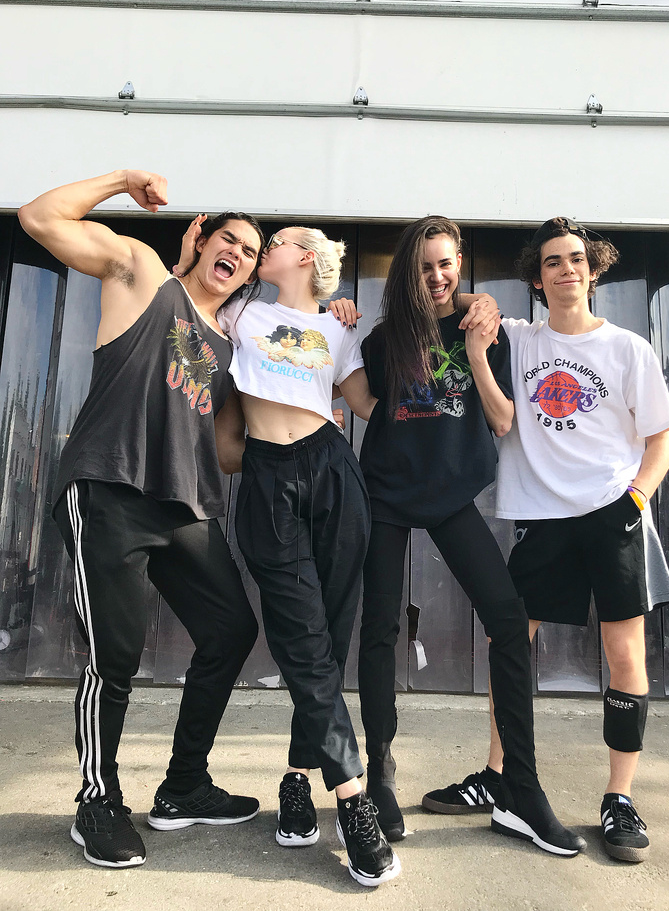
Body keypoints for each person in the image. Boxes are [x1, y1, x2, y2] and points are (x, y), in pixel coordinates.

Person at [18, 172, 263, 869]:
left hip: (184, 506)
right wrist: (124, 180)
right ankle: (97, 800)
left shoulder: (226, 348)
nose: (237, 254)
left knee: (232, 630)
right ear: (201, 238)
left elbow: (226, 452)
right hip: (110, 489)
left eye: (249, 252)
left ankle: (183, 787)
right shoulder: (144, 273)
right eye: (228, 240)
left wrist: (300, 432)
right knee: (115, 657)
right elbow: (38, 217)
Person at [423, 217, 669, 863]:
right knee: (509, 642)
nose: (567, 269)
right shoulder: (516, 338)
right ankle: (499, 775)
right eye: (553, 262)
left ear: (594, 270)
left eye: (577, 259)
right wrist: (480, 300)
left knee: (624, 654)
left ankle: (619, 797)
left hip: (613, 513)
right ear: (537, 279)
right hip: (541, 518)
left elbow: (661, 441)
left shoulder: (628, 349)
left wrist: (636, 500)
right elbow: (445, 298)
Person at [335, 216, 586, 857]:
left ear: (460, 263)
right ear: (408, 273)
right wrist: (335, 318)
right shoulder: (384, 339)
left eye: (446, 264)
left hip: (452, 496)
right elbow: (362, 399)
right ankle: (380, 771)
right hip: (385, 495)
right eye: (425, 267)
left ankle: (519, 786)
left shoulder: (484, 328)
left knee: (508, 622)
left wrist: (478, 334)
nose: (438, 277)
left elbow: (502, 421)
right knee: (380, 629)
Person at [203, 223, 401, 886]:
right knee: (302, 635)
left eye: (279, 239)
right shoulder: (241, 313)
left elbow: (369, 406)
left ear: (307, 256)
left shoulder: (337, 330)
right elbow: (192, 320)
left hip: (333, 471)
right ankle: (352, 797)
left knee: (330, 635)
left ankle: (296, 776)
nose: (266, 247)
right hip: (267, 475)